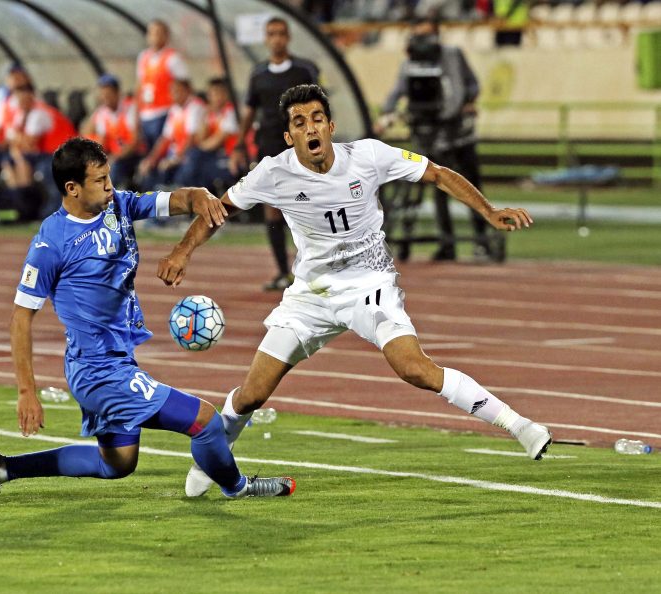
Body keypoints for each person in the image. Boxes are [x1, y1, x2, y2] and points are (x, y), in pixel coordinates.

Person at [156, 84, 552, 497]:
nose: (309, 128)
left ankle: (519, 425)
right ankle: (212, 460)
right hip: (311, 295)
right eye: (298, 122)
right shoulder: (273, 173)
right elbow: (216, 209)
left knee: (414, 369)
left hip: (370, 283)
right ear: (289, 137)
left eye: (315, 118)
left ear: (330, 125)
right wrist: (183, 251)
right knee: (252, 394)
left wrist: (488, 211)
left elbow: (437, 173)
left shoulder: (368, 156)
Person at [0, 138, 295, 503]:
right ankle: (239, 488)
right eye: (100, 180)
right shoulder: (51, 242)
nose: (109, 186)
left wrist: (202, 200)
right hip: (99, 372)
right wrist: (26, 391)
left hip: (113, 363)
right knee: (206, 422)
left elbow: (179, 199)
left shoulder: (118, 206)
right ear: (72, 189)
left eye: (109, 176)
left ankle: (3, 468)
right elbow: (21, 318)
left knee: (116, 463)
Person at [374, 17, 491, 261]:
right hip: (430, 136)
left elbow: (467, 87)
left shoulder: (452, 56)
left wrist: (463, 105)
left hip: (459, 134)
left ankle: (483, 241)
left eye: (426, 35)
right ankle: (447, 244)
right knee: (440, 190)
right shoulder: (410, 63)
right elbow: (398, 91)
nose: (422, 42)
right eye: (418, 36)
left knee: (472, 186)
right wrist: (386, 114)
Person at [233, 16, 320, 291]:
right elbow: (249, 111)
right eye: (271, 34)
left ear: (288, 37)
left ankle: (317, 268)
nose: (277, 39)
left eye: (281, 33)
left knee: (310, 205)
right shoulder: (258, 74)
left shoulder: (304, 70)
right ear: (266, 39)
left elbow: (319, 105)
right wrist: (239, 144)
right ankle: (284, 272)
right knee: (272, 210)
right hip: (269, 147)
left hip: (301, 147)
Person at [135, 19, 189, 153]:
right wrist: (137, 111)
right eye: (152, 33)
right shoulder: (143, 57)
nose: (154, 36)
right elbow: (140, 85)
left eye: (158, 33)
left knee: (160, 152)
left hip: (164, 112)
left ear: (166, 36)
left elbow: (185, 86)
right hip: (146, 114)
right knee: (147, 151)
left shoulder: (173, 58)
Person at [80, 73, 141, 190]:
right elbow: (101, 141)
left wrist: (115, 157)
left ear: (117, 93)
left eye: (108, 95)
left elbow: (135, 142)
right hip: (115, 156)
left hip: (132, 155)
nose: (105, 98)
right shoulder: (103, 113)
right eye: (103, 95)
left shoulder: (130, 109)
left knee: (113, 168)